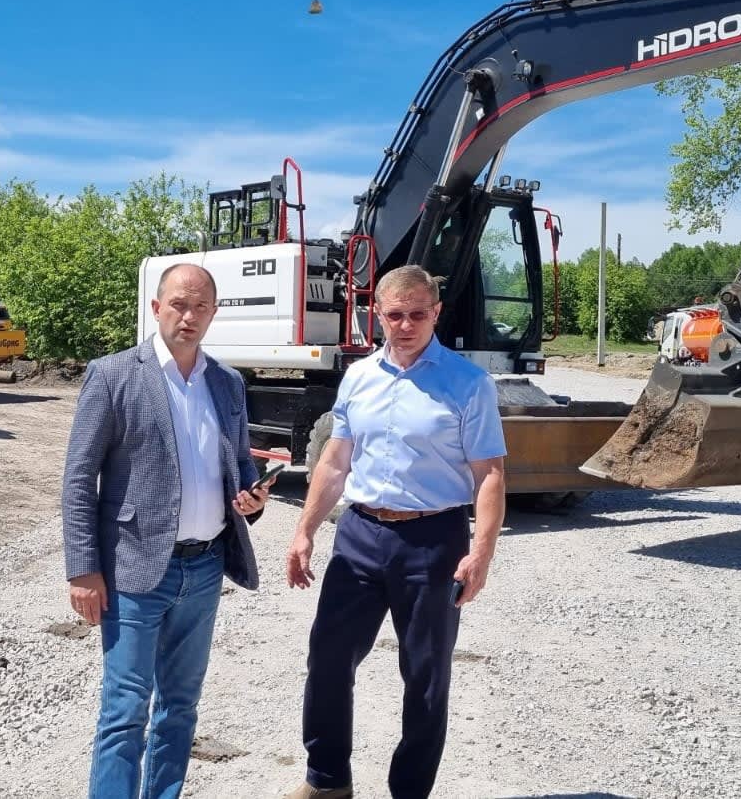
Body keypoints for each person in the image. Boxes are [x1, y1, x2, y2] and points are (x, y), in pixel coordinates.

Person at [282, 264, 508, 799]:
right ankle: (327, 782)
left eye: (417, 314)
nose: (405, 325)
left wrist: (481, 552)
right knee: (328, 658)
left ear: (436, 313)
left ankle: (409, 792)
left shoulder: (468, 384)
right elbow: (335, 462)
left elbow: (490, 474)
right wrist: (304, 529)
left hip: (432, 542)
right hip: (359, 535)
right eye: (395, 315)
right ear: (376, 315)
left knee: (426, 677)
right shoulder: (359, 377)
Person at [62, 262, 276, 799]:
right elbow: (79, 479)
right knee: (124, 711)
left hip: (203, 569)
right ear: (156, 308)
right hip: (134, 570)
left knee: (180, 708)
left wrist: (251, 499)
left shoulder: (227, 383)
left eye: (201, 306)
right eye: (179, 304)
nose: (189, 316)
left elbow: (239, 468)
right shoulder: (113, 375)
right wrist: (84, 570)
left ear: (213, 313)